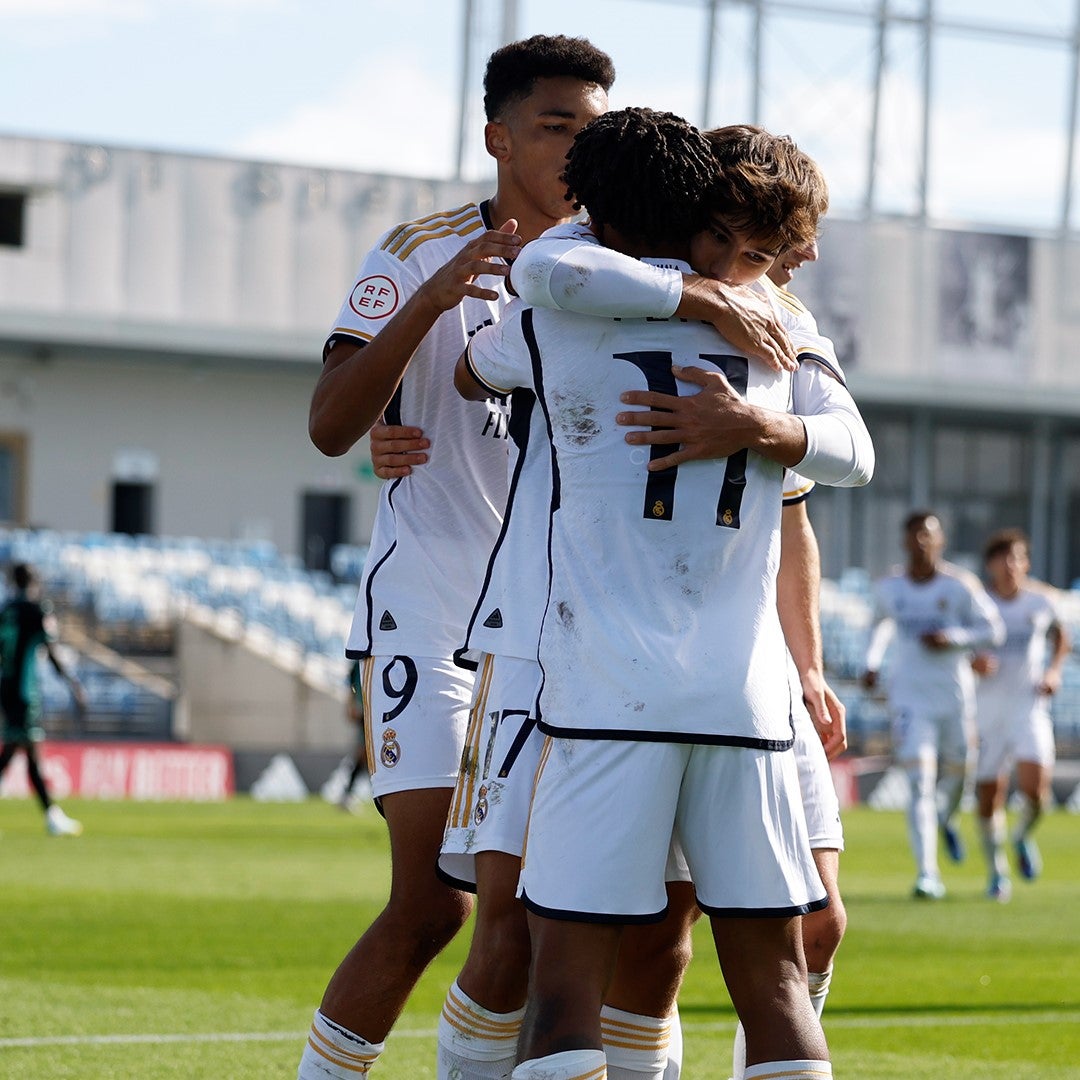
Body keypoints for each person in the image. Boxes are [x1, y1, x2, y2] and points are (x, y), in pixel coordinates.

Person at [458, 107, 872, 1080]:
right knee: (772, 982)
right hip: (739, 699)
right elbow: (854, 450)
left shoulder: (557, 312)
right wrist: (765, 423)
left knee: (563, 986)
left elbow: (498, 336)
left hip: (607, 696)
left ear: (591, 209)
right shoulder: (779, 328)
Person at [296, 34, 618, 1079]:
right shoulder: (414, 250)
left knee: (526, 914)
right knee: (433, 902)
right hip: (430, 611)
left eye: (593, 127)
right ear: (498, 137)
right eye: (555, 125)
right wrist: (435, 301)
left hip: (548, 632)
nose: (577, 147)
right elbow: (332, 428)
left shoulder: (613, 265)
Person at [861, 511, 1005, 900]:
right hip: (909, 699)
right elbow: (878, 626)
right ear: (906, 541)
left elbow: (994, 630)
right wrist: (870, 663)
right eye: (915, 535)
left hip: (955, 697)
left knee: (961, 777)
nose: (922, 542)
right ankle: (928, 874)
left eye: (929, 535)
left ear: (940, 542)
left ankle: (948, 818)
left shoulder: (960, 585)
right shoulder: (890, 587)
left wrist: (954, 638)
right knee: (919, 782)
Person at [971, 528, 1069, 901]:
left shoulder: (1041, 602)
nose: (1011, 566)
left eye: (1018, 558)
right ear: (991, 564)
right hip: (987, 710)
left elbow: (1061, 637)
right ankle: (997, 873)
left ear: (1026, 563)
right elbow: (958, 644)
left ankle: (1023, 836)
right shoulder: (979, 604)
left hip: (1029, 709)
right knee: (988, 796)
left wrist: (1054, 670)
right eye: (1004, 558)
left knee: (1036, 792)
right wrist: (972, 661)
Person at [0, 563, 85, 837]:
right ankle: (52, 816)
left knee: (17, 751)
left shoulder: (6, 611)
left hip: (7, 688)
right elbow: (51, 651)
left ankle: (52, 815)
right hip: (25, 692)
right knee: (27, 751)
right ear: (33, 581)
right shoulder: (37, 610)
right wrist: (73, 685)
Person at [336, 660, 369, 811]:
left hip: (374, 710)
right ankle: (347, 795)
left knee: (366, 755)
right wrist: (351, 705)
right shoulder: (359, 660)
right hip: (365, 712)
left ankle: (347, 794)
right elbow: (351, 685)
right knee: (365, 753)